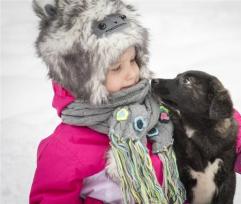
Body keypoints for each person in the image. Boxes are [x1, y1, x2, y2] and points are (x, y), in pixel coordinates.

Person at [30, 0, 185, 203]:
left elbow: (201, 116)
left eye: (133, 60)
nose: (131, 74)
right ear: (84, 80)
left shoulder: (156, 109)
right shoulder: (66, 149)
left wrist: (235, 134)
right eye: (116, 68)